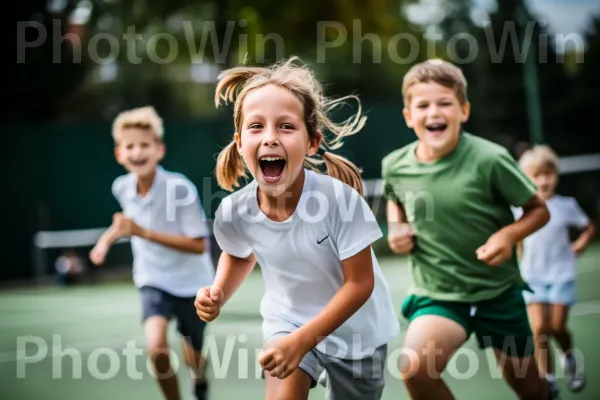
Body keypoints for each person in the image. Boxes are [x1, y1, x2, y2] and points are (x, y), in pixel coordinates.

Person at [194, 57, 399, 400]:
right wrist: (218, 292)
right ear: (240, 141)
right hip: (287, 324)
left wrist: (304, 340)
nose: (271, 138)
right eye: (256, 126)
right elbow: (240, 255)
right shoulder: (234, 212)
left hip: (358, 335)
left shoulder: (340, 202)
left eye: (286, 127)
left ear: (312, 142)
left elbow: (361, 283)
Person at [382, 59, 551, 400]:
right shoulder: (394, 165)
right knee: (415, 369)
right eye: (423, 105)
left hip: (498, 293)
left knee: (530, 388)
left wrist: (507, 235)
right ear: (408, 116)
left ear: (464, 110)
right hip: (439, 295)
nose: (434, 112)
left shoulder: (490, 159)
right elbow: (394, 196)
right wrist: (397, 226)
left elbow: (538, 210)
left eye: (445, 103)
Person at [89, 106, 214, 400]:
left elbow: (199, 245)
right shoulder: (121, 187)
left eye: (144, 145)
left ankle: (199, 380)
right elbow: (124, 222)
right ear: (119, 154)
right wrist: (104, 243)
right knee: (156, 349)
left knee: (193, 356)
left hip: (192, 284)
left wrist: (142, 232)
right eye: (129, 146)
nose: (137, 152)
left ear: (159, 150)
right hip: (152, 279)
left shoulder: (180, 188)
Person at [515, 145, 595, 398]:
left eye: (548, 174)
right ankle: (548, 379)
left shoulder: (565, 205)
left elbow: (588, 227)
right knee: (539, 329)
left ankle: (568, 357)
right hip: (532, 277)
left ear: (556, 176)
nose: (543, 180)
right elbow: (517, 240)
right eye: (536, 176)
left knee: (557, 326)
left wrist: (581, 243)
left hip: (561, 274)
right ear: (526, 179)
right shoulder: (519, 209)